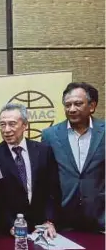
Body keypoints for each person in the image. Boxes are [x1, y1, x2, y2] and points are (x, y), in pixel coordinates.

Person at [0, 103, 61, 238]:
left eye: (12, 124)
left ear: (25, 125)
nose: (6, 130)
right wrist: (11, 225)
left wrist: (49, 221)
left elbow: (53, 191)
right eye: (2, 124)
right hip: (7, 231)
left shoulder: (43, 151)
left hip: (41, 229)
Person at [42, 82, 105, 231]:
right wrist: (48, 218)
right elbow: (45, 180)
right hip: (63, 219)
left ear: (92, 106)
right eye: (67, 105)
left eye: (78, 104)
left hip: (100, 218)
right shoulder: (50, 135)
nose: (72, 109)